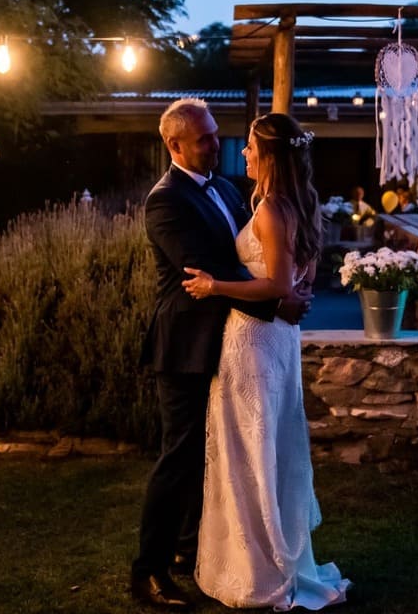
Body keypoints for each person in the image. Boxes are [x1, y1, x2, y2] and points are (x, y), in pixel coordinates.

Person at [132, 99, 311, 610]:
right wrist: (279, 299)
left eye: (215, 133)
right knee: (180, 457)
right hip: (186, 346)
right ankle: (148, 571)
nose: (217, 144)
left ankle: (192, 550)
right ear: (174, 145)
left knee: (217, 455)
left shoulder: (229, 189)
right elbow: (205, 269)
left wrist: (288, 284)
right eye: (204, 139)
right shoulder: (165, 202)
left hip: (237, 344)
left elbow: (259, 254)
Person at [181, 112, 350, 610]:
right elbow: (300, 282)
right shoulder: (298, 205)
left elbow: (277, 284)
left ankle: (260, 566)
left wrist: (214, 286)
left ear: (270, 156)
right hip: (278, 338)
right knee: (265, 443)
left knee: (250, 447)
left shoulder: (273, 209)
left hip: (254, 340)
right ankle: (261, 554)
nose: (244, 153)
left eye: (251, 147)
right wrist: (294, 294)